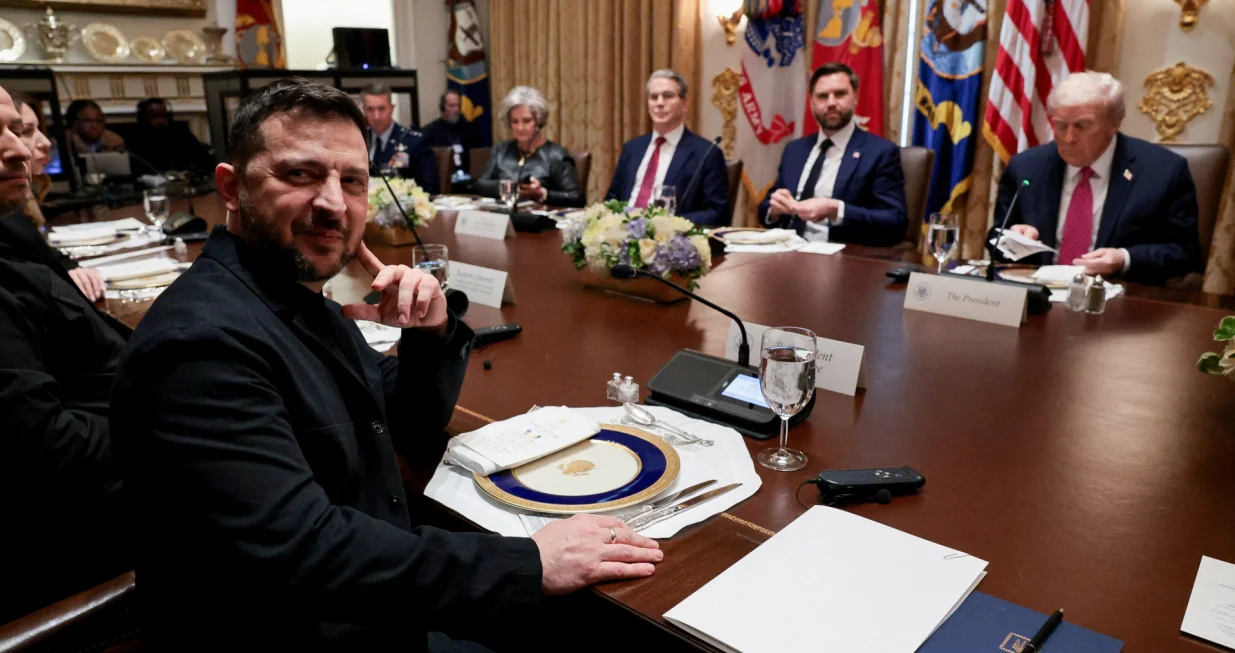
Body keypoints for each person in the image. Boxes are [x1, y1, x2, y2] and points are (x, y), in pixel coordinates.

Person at [109, 78, 662, 651]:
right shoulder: (199, 346)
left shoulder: (289, 295)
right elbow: (308, 552)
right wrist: (529, 562)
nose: (332, 203)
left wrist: (431, 332)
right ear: (231, 187)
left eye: (351, 181)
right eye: (300, 174)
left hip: (372, 604)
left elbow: (403, 416)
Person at [0, 84, 131, 625]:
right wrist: (175, 421)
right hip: (81, 550)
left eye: (16, 128)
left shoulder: (8, 233)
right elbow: (46, 446)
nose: (19, 148)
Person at [994, 71, 1201, 284]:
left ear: (1114, 124)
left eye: (1082, 126)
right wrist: (1014, 240)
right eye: (1061, 125)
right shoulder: (1026, 168)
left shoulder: (1162, 171)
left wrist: (1124, 259)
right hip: (1038, 295)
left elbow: (1185, 253)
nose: (1068, 138)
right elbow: (996, 242)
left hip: (1118, 300)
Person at [759, 63, 908, 246]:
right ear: (812, 102)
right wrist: (773, 210)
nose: (831, 103)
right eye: (822, 96)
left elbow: (895, 222)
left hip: (842, 257)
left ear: (855, 98)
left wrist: (837, 209)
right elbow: (765, 208)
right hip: (788, 253)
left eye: (840, 94)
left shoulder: (880, 152)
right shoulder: (795, 150)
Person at [13, 92, 107, 300]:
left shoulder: (26, 195)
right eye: (26, 131)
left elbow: (39, 250)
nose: (45, 141)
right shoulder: (8, 206)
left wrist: (68, 266)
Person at [606, 70, 729, 226]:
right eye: (653, 97)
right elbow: (612, 199)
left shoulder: (706, 154)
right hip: (621, 237)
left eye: (668, 96)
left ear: (684, 104)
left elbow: (718, 212)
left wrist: (671, 224)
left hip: (669, 242)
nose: (659, 103)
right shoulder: (632, 148)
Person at [475, 86, 585, 207]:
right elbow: (481, 185)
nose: (520, 127)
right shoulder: (501, 150)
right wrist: (511, 186)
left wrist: (542, 194)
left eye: (526, 121)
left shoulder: (556, 155)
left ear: (538, 121)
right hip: (503, 218)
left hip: (539, 221)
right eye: (515, 121)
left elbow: (576, 198)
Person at [363, 82, 440, 193]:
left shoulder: (413, 142)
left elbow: (429, 188)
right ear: (364, 111)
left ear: (392, 108)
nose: (376, 116)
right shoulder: (360, 141)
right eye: (370, 109)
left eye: (381, 109)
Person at [125, 97, 216, 174]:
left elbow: (203, 160)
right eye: (153, 117)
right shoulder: (136, 140)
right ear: (143, 119)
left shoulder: (181, 134)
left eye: (163, 116)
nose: (160, 121)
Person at [422, 89, 481, 171]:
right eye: (452, 106)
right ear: (442, 108)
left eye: (458, 106)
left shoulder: (470, 129)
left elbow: (477, 156)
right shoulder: (429, 131)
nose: (456, 109)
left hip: (468, 178)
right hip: (442, 178)